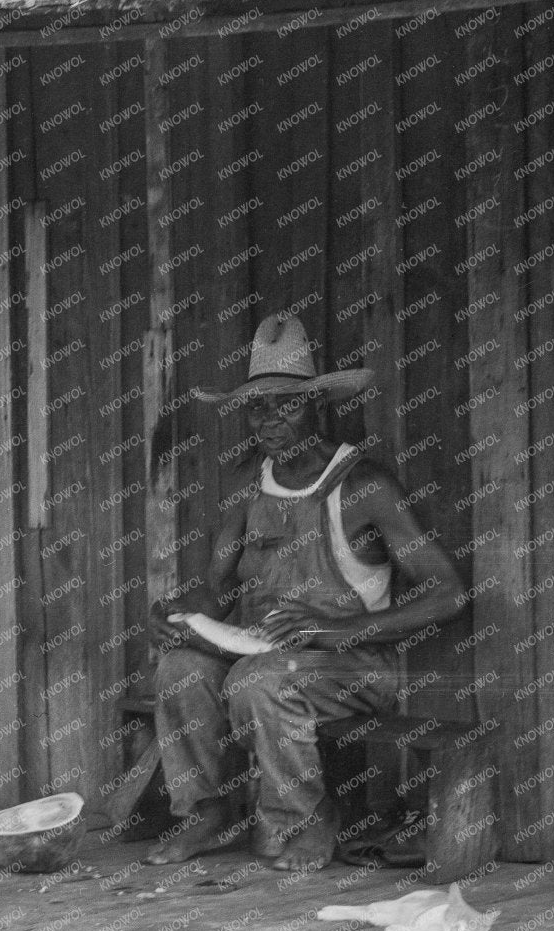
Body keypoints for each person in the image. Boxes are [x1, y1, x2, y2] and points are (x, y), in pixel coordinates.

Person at [145, 313, 470, 873]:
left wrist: (338, 630)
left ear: (319, 407)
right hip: (267, 655)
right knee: (180, 669)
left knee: (260, 679)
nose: (269, 421)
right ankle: (207, 810)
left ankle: (306, 815)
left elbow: (448, 594)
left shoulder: (365, 486)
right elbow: (216, 593)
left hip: (355, 665)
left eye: (287, 406)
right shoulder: (248, 492)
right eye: (258, 407)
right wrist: (173, 616)